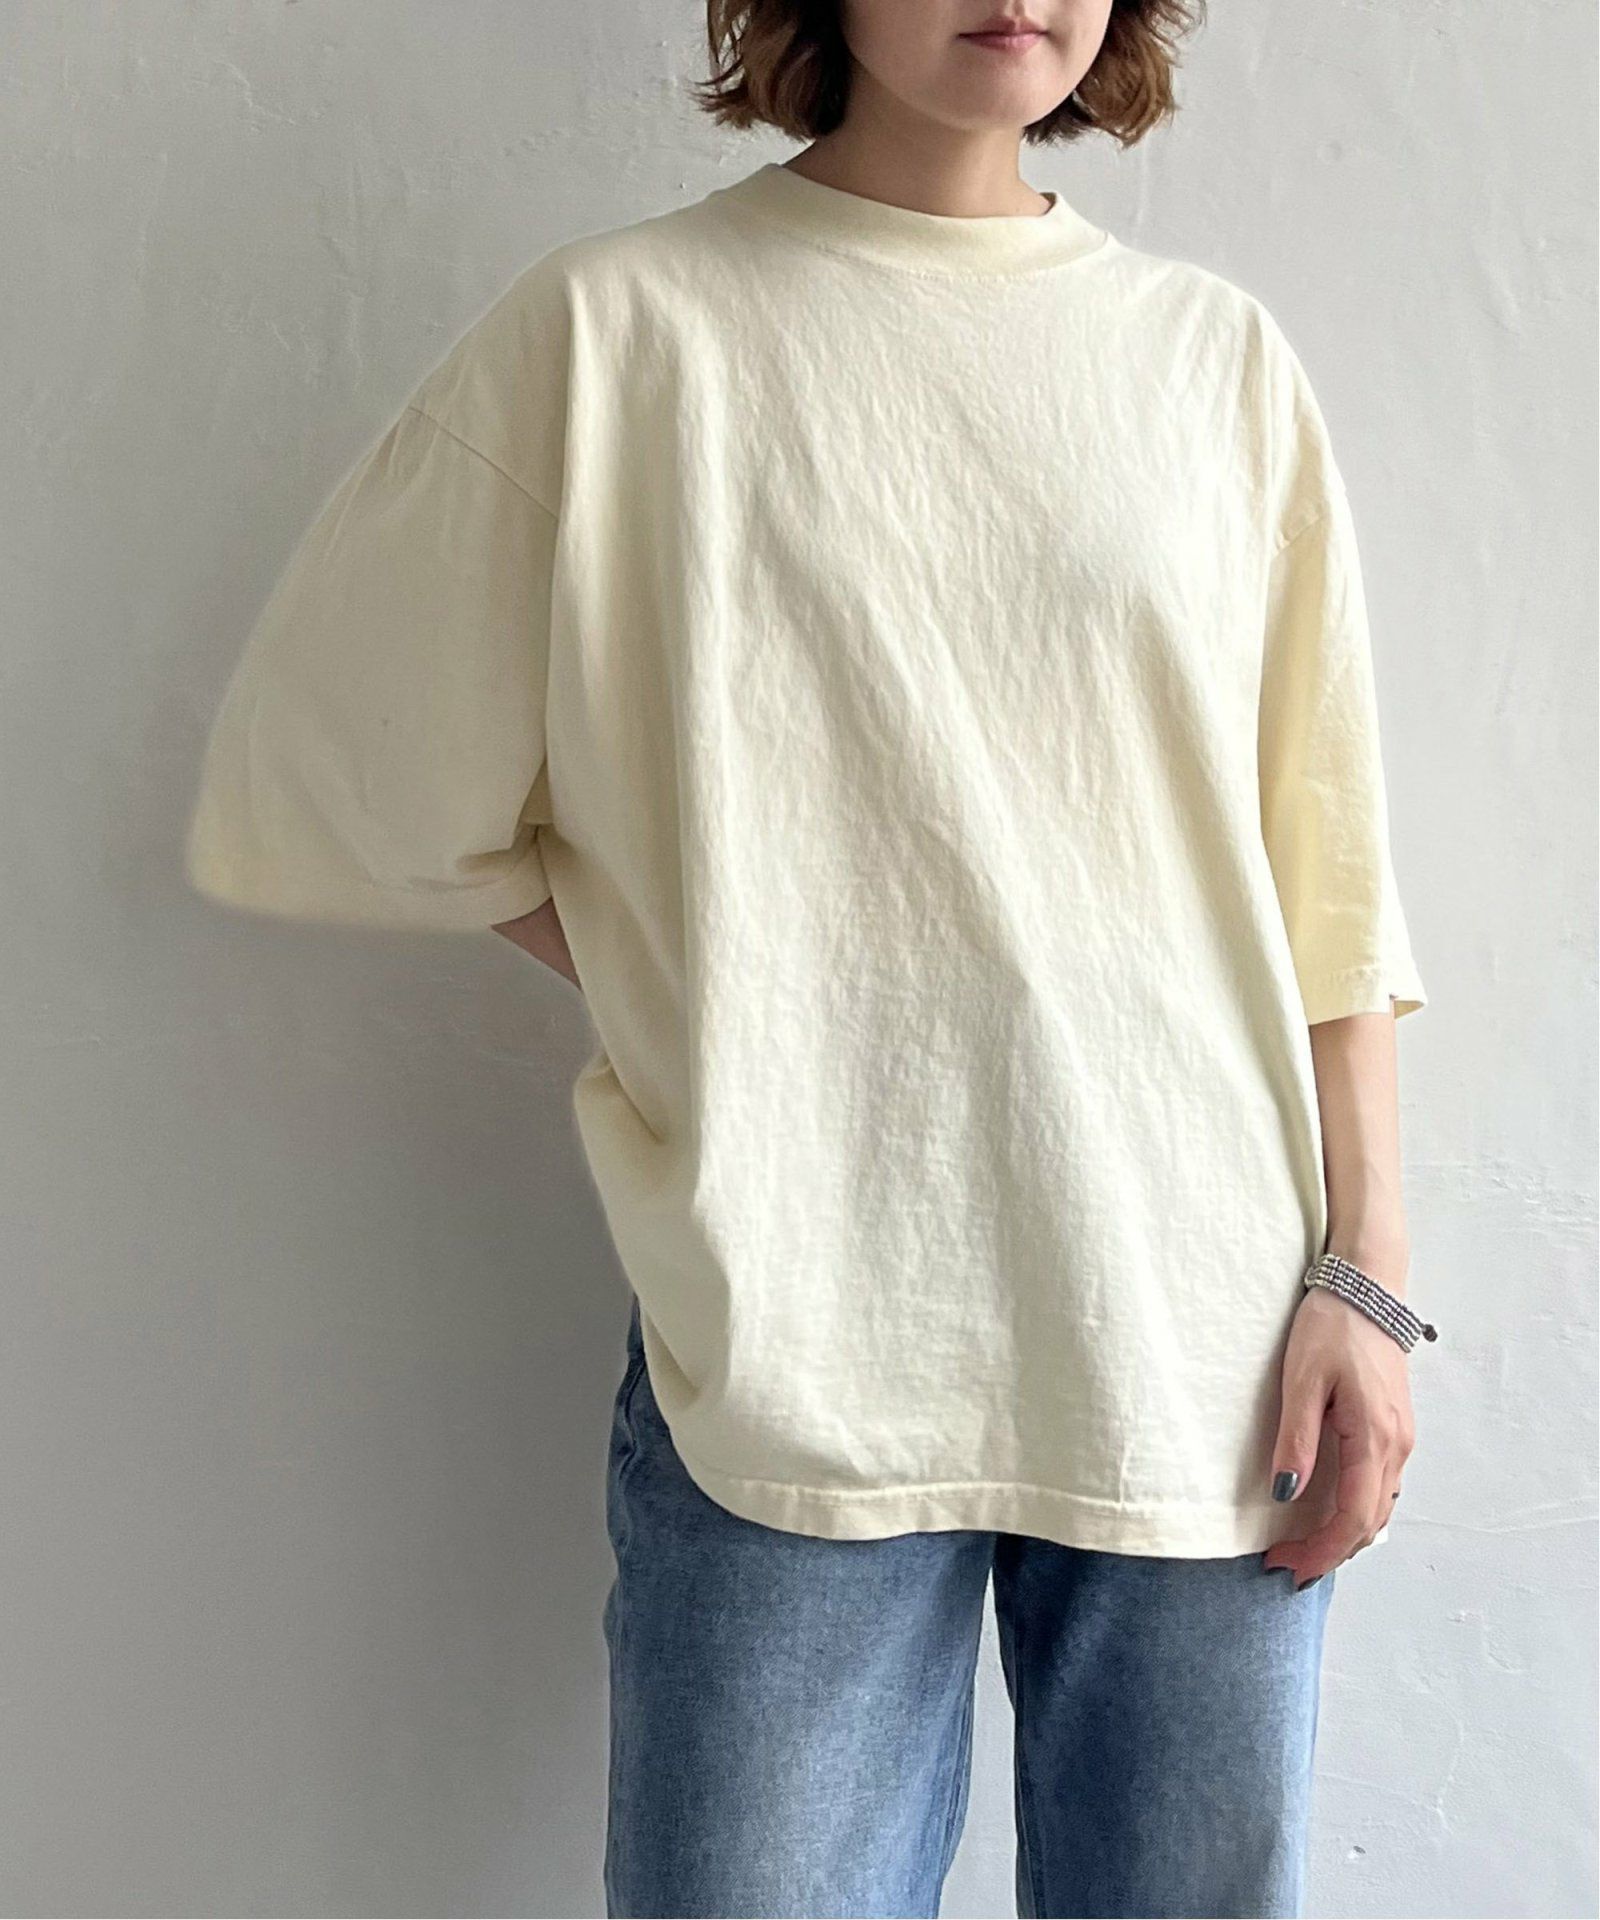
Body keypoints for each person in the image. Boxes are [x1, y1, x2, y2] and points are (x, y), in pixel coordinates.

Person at [182, 1, 1439, 1913]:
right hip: (792, 1336)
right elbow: (343, 775)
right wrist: (725, 990)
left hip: (1210, 1338)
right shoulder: (620, 338)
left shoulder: (1212, 363)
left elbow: (1326, 877)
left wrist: (1367, 1277)